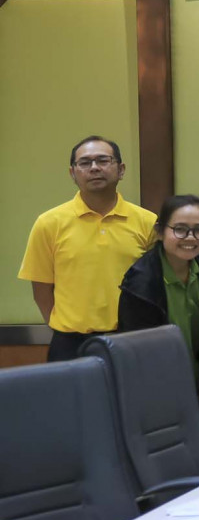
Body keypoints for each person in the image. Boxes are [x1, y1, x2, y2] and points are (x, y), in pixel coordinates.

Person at [18, 136, 156, 361]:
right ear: (72, 173)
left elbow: (154, 284)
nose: (94, 168)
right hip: (71, 343)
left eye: (103, 160)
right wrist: (64, 327)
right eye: (85, 162)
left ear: (121, 170)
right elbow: (41, 288)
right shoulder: (49, 223)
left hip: (131, 340)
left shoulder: (148, 222)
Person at [116, 195, 199, 388]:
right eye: (180, 229)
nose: (190, 237)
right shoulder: (139, 283)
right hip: (157, 386)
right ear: (160, 232)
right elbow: (135, 351)